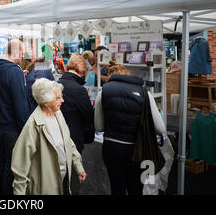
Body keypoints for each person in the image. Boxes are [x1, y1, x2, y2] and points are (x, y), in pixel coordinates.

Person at [94, 62, 166, 195]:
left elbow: (98, 127)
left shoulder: (104, 91)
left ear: (110, 76)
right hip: (138, 149)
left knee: (117, 188)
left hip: (112, 148)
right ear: (127, 75)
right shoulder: (145, 93)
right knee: (136, 189)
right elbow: (161, 129)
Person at [11, 78, 86, 195]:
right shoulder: (34, 125)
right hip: (45, 188)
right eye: (58, 98)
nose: (63, 100)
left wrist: (78, 166)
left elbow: (68, 141)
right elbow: (20, 163)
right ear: (45, 101)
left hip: (63, 181)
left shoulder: (58, 114)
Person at [0, 39, 31, 195]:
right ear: (15, 52)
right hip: (11, 125)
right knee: (12, 163)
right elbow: (20, 105)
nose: (22, 55)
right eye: (21, 52)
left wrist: (20, 76)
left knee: (1, 158)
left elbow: (3, 90)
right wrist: (25, 128)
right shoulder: (14, 71)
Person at [58, 54, 95, 194]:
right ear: (81, 71)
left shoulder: (56, 83)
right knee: (72, 182)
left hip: (56, 138)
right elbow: (89, 115)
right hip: (73, 140)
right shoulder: (79, 90)